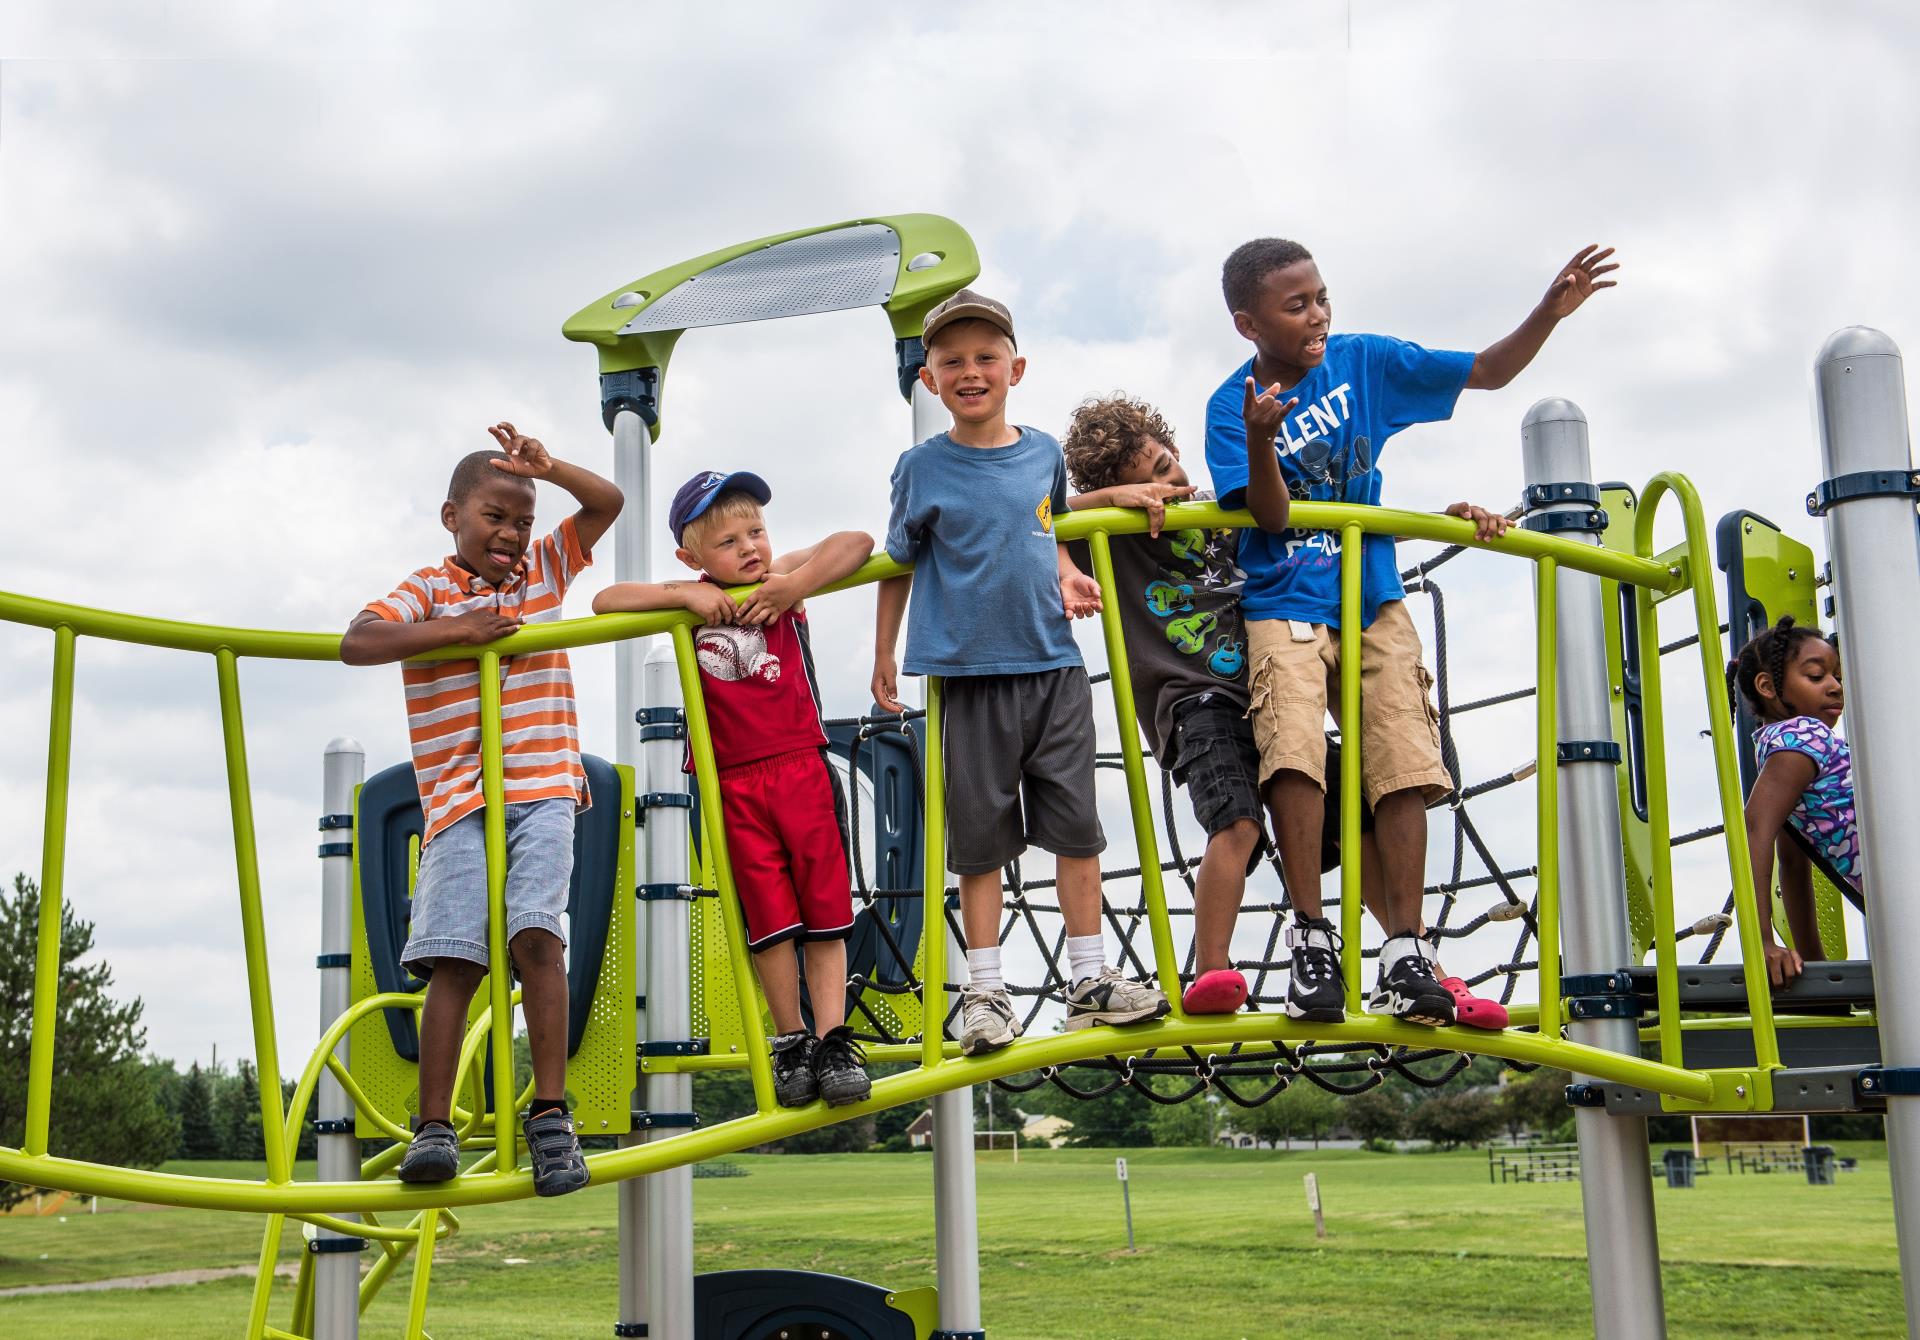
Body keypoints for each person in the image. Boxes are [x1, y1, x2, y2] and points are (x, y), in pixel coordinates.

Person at [1206, 237, 1618, 1026]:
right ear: (1248, 324)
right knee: (1292, 749)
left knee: (1402, 754)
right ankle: (1312, 935)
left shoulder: (1366, 361)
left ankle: (1405, 947)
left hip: (1373, 596)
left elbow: (1490, 370)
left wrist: (1549, 312)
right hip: (1284, 598)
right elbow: (1271, 515)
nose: (1318, 314)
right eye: (1297, 305)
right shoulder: (1233, 404)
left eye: (1322, 295)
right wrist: (1262, 438)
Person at [1060, 393, 1509, 1028]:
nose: (1173, 483)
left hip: (1269, 693)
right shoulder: (1115, 534)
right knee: (1238, 824)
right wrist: (1114, 503)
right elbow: (1037, 514)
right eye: (1153, 477)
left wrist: (1444, 519)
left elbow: (1317, 523)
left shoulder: (1221, 511)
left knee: (1358, 805)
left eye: (1169, 465)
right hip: (1197, 700)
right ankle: (1211, 969)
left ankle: (1414, 964)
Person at [871, 289, 1171, 1055]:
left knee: (1077, 829)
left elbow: (1046, 519)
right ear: (930, 380)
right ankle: (985, 991)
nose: (970, 371)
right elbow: (898, 563)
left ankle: (1090, 980)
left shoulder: (1044, 452)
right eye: (952, 362)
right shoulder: (920, 468)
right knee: (979, 841)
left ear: (1015, 368)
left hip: (1053, 667)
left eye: (985, 358)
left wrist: (1072, 565)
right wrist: (883, 653)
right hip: (967, 675)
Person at [343, 422, 622, 1195]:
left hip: (543, 788)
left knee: (539, 936)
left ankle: (551, 1114)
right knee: (455, 958)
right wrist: (458, 631)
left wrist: (549, 468)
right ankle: (434, 1127)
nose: (510, 534)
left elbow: (608, 502)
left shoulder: (540, 575)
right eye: (495, 517)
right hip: (460, 801)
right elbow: (356, 641)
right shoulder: (429, 590)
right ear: (452, 518)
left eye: (522, 520)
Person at [594, 471, 875, 1107]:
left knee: (826, 910)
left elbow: (855, 542)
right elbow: (605, 601)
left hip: (801, 765)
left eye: (756, 532)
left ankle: (833, 1039)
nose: (749, 548)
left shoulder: (780, 584)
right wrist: (687, 599)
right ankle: (791, 1041)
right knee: (770, 920)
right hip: (733, 784)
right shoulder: (687, 600)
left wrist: (794, 585)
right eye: (728, 542)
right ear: (692, 559)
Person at [1726, 615, 1857, 986]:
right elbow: (1754, 829)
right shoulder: (1805, 735)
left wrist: (1815, 968)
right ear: (1767, 686)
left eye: (1837, 677)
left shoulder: (1781, 750)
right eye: (1817, 677)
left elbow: (1794, 865)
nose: (1835, 688)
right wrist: (1762, 941)